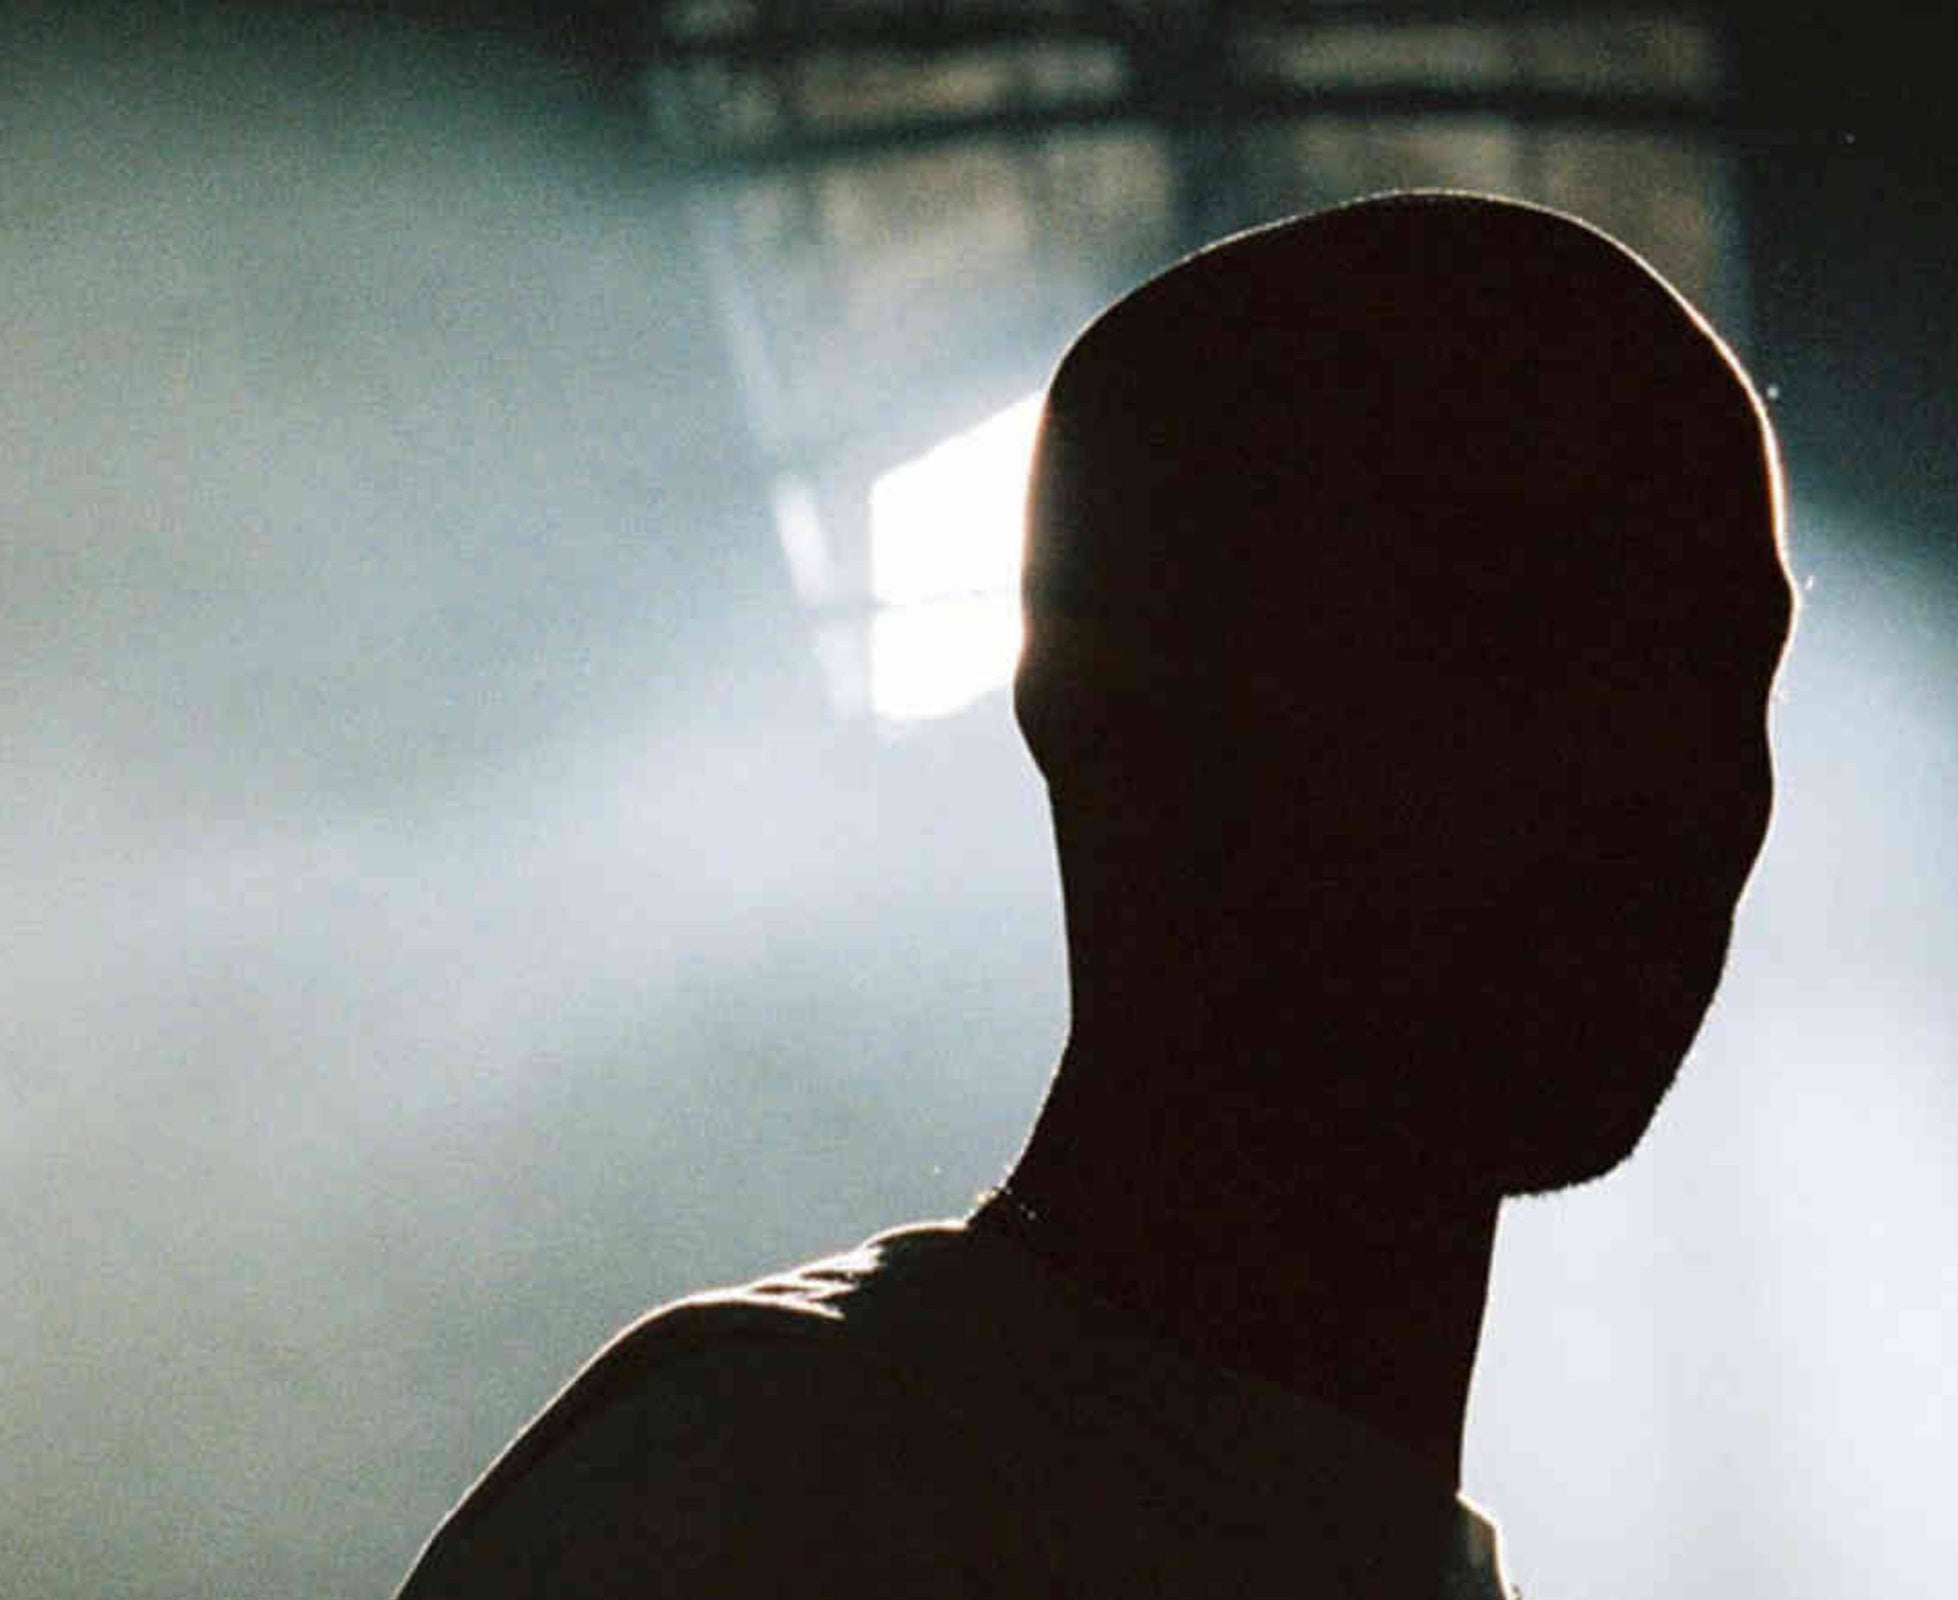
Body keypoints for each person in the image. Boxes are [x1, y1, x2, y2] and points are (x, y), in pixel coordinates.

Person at [397, 191, 1794, 1598]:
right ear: (1111, 707)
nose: (1673, 781)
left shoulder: (780, 1475)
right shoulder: (749, 1510)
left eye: (1724, 671)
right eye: (1514, 628)